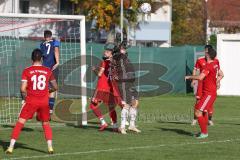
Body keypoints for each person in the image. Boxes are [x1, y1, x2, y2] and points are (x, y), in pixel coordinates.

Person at [5, 49, 58, 154]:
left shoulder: (27, 70)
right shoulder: (48, 71)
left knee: (20, 123)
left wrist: (24, 98)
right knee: (46, 123)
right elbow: (55, 87)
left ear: (31, 59)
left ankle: (10, 147)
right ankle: (50, 147)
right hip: (44, 102)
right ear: (42, 59)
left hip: (31, 101)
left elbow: (22, 89)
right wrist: (48, 91)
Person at [185, 48, 223, 139]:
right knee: (199, 110)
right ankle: (203, 131)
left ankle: (204, 133)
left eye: (206, 52)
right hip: (209, 92)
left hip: (209, 93)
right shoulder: (215, 63)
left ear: (208, 55)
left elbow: (201, 77)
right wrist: (216, 82)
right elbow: (221, 74)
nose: (204, 54)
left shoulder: (208, 66)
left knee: (198, 112)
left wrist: (189, 76)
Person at [89, 44, 121, 132]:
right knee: (111, 107)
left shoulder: (105, 62)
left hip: (101, 87)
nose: (105, 53)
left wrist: (94, 69)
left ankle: (103, 122)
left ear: (111, 54)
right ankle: (115, 126)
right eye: (105, 51)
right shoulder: (115, 63)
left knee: (92, 105)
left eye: (107, 52)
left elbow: (99, 74)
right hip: (109, 87)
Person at [112, 43, 141, 134]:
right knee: (127, 105)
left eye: (124, 48)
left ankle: (132, 125)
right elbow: (113, 64)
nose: (124, 49)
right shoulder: (118, 56)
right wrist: (118, 46)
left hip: (130, 82)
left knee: (135, 103)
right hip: (123, 83)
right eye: (123, 48)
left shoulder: (124, 57)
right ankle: (122, 127)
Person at [40, 30, 60, 114]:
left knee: (44, 88)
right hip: (53, 68)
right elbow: (56, 50)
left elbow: (41, 57)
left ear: (44, 37)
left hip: (44, 68)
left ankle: (42, 106)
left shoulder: (41, 44)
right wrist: (58, 62)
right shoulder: (55, 42)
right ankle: (50, 109)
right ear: (51, 36)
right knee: (53, 88)